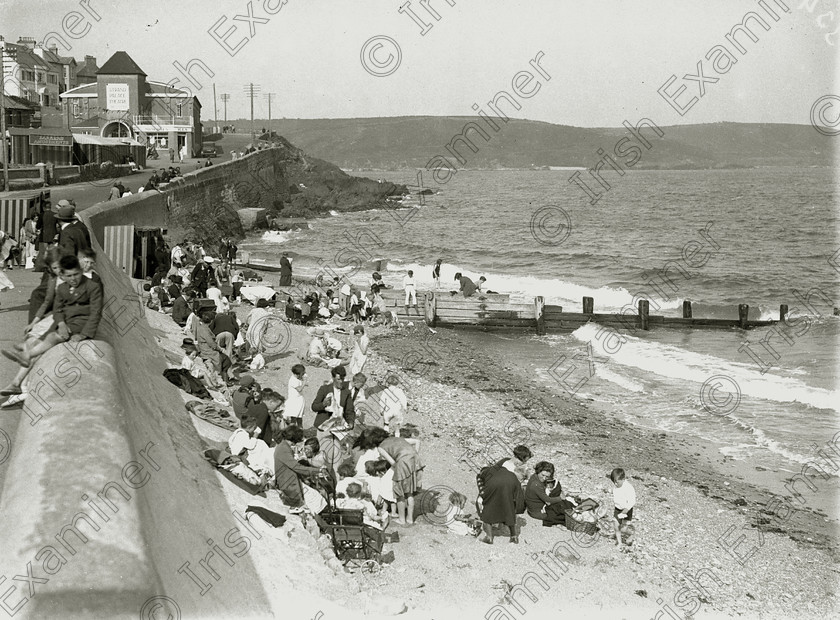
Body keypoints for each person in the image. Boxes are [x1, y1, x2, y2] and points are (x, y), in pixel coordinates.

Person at [2, 255, 102, 369]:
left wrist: (84, 334)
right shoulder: (62, 287)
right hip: (65, 321)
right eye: (69, 276)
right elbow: (57, 308)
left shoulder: (92, 286)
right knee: (48, 335)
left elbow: (95, 313)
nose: (73, 279)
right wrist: (61, 323)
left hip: (82, 324)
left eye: (76, 275)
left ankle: (26, 355)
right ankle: (25, 357)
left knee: (50, 336)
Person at [358, 427, 421, 526]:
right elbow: (417, 441)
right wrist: (414, 454)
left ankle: (402, 519)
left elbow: (393, 463)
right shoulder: (396, 438)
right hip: (415, 461)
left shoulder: (381, 448)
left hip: (402, 463)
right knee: (410, 493)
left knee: (400, 494)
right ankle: (410, 519)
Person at [273, 425, 327, 511]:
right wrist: (317, 470)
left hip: (289, 481)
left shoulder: (283, 446)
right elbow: (297, 467)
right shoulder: (283, 449)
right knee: (316, 500)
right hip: (289, 484)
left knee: (316, 498)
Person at [476, 457, 525, 544]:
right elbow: (519, 495)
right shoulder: (509, 473)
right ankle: (514, 537)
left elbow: (482, 489)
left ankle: (489, 537)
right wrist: (519, 509)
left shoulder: (484, 473)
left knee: (487, 511)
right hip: (509, 484)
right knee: (509, 510)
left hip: (494, 487)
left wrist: (483, 499)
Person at [525, 461, 572, 526]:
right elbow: (547, 499)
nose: (544, 478)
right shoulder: (536, 485)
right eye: (543, 475)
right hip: (537, 512)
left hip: (533, 508)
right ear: (538, 471)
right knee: (561, 515)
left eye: (547, 476)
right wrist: (560, 498)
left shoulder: (534, 476)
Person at [311, 365, 355, 430]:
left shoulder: (346, 392)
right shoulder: (324, 389)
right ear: (333, 378)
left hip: (339, 427)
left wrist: (351, 422)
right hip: (324, 426)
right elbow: (314, 407)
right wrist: (323, 404)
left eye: (342, 379)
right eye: (339, 379)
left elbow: (349, 411)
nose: (341, 382)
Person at [610, 467, 636, 545]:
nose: (615, 484)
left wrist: (626, 510)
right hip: (618, 508)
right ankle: (619, 543)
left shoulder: (628, 488)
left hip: (626, 510)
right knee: (616, 525)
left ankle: (631, 534)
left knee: (624, 528)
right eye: (614, 482)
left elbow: (632, 501)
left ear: (623, 479)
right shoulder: (616, 486)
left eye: (617, 482)